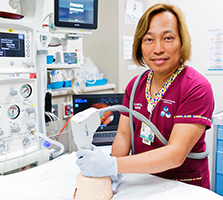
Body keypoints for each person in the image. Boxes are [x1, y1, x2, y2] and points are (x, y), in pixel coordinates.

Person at [76, 3, 214, 191]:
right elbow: (124, 135)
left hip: (184, 187)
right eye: (149, 39)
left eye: (168, 38)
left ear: (182, 42)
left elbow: (175, 154)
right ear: (140, 45)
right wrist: (110, 171)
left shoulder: (196, 87)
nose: (158, 49)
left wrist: (113, 165)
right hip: (143, 180)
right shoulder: (135, 85)